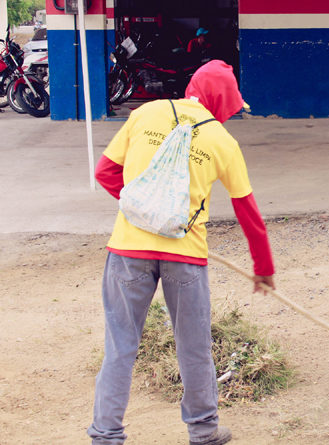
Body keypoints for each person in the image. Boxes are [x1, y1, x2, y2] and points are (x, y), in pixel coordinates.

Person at [89, 60, 274, 445]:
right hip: (185, 256)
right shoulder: (222, 141)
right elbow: (248, 212)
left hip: (128, 248)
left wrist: (147, 211)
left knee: (121, 346)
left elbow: (106, 173)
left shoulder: (145, 113)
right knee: (194, 347)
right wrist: (263, 268)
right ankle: (204, 432)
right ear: (222, 101)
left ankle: (106, 436)